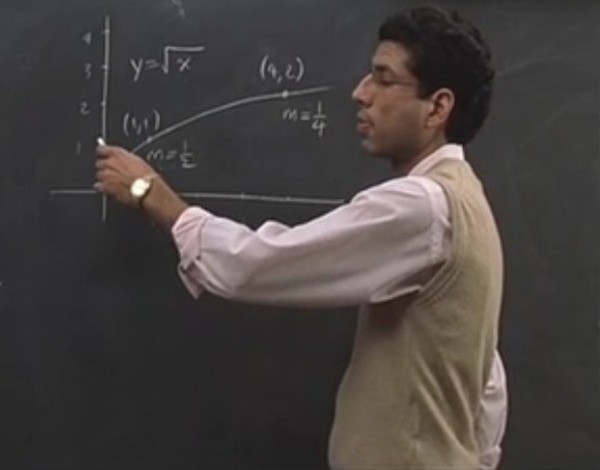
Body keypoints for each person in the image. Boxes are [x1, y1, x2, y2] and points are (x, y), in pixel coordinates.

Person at [94, 6, 506, 469]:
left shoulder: (422, 207)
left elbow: (257, 265)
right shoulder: (467, 202)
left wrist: (150, 193)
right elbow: (485, 379)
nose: (360, 93)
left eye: (384, 78)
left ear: (437, 107)